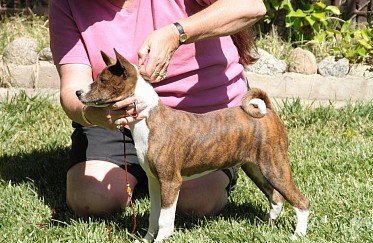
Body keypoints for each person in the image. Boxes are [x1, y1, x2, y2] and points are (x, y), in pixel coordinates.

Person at [49, 0, 266, 217]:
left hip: (204, 119)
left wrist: (178, 32)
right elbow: (72, 88)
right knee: (92, 200)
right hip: (118, 122)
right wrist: (95, 114)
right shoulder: (67, 4)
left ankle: (210, 165)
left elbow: (251, 6)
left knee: (195, 203)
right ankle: (149, 172)